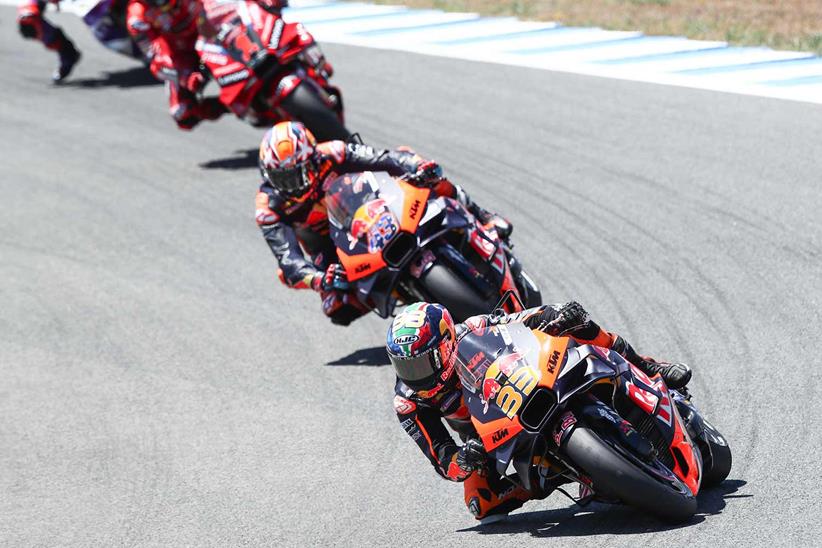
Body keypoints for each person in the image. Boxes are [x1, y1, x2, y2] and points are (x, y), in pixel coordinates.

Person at [386, 300, 692, 522]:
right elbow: (442, 460)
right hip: (487, 438)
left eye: (420, 364)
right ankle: (564, 473)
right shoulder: (409, 401)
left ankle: (648, 366)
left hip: (528, 385)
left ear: (445, 344)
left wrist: (555, 315)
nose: (414, 375)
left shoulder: (475, 329)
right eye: (404, 366)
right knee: (480, 503)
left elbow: (525, 319)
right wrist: (464, 458)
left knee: (577, 325)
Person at [255, 121, 511, 325]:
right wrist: (319, 279)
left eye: (297, 173)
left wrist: (418, 166)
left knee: (429, 177)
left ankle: (482, 215)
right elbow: (288, 259)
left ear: (311, 157)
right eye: (282, 178)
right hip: (328, 246)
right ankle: (409, 301)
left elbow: (385, 159)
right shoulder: (269, 206)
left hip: (371, 210)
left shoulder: (333, 152)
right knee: (336, 307)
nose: (293, 185)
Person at [126, 0, 225, 129]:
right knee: (182, 114)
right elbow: (154, 55)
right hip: (185, 56)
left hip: (213, 33)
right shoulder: (137, 18)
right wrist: (184, 75)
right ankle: (227, 105)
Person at [17, 0, 82, 82]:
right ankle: (67, 63)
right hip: (31, 19)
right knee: (61, 44)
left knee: (59, 41)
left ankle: (67, 61)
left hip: (31, 18)